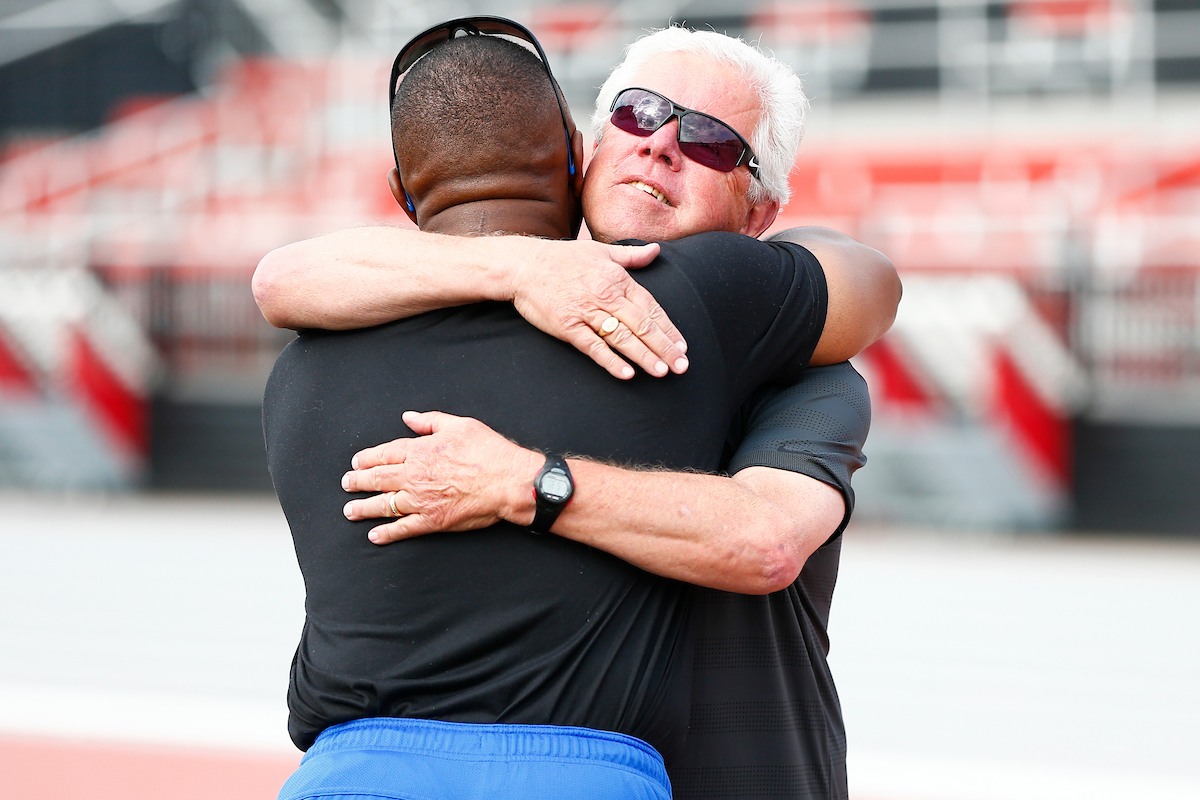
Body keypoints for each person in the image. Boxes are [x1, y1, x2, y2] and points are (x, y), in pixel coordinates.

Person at [257, 21, 898, 800]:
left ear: (759, 215)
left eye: (711, 141)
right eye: (637, 112)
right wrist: (523, 266)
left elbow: (767, 540)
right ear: (583, 149)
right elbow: (279, 279)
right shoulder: (462, 297)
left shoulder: (792, 359)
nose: (660, 145)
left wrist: (524, 482)